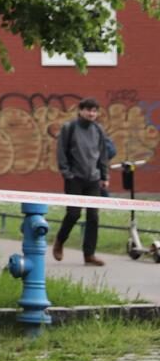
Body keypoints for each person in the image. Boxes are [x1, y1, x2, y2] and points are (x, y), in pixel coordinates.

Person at [54, 97, 113, 266]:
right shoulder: (70, 128)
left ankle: (89, 254)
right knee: (73, 213)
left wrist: (104, 176)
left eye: (94, 111)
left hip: (93, 179)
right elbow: (61, 151)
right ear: (80, 110)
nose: (91, 113)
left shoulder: (98, 130)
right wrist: (66, 173)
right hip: (75, 178)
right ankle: (60, 241)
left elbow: (102, 154)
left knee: (93, 216)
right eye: (88, 110)